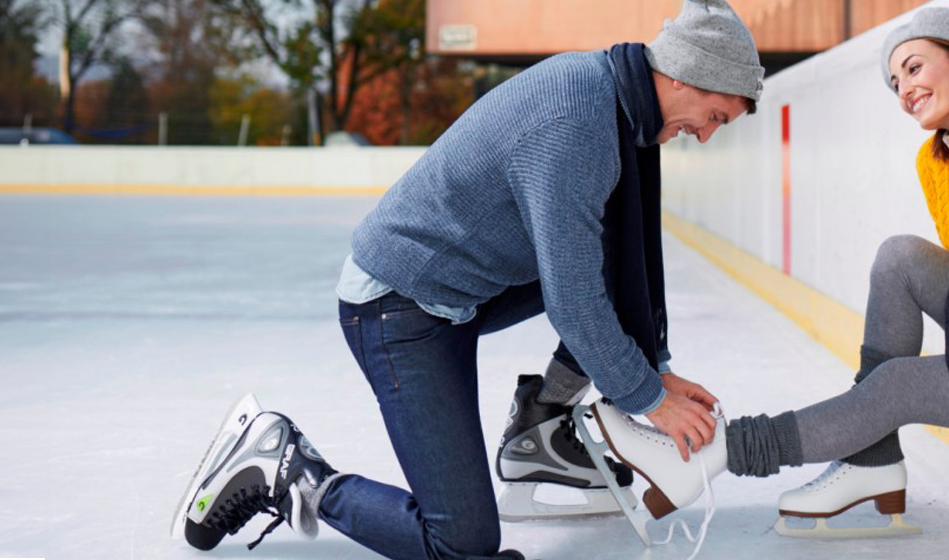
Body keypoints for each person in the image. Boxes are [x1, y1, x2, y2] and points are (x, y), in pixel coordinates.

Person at [171, 0, 763, 557]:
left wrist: (654, 367)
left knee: (603, 256)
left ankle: (541, 423)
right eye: (713, 117)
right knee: (462, 543)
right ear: (684, 75)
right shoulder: (580, 119)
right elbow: (574, 301)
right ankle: (291, 473)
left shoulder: (614, 98)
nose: (706, 135)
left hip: (455, 294)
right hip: (396, 304)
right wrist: (650, 400)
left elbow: (623, 260)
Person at [585, 6, 949, 539]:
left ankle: (715, 457)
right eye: (896, 83)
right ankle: (871, 460)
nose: (906, 90)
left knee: (893, 387)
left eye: (915, 68)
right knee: (899, 257)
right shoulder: (938, 158)